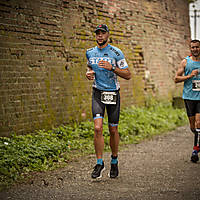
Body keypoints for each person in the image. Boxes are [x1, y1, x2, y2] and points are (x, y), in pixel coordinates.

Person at [85, 24, 131, 178]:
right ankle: (99, 163)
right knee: (97, 128)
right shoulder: (89, 52)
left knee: (113, 130)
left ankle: (114, 160)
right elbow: (89, 67)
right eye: (97, 33)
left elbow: (128, 74)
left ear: (108, 35)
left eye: (102, 33)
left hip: (113, 94)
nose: (99, 36)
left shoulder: (116, 52)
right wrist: (89, 73)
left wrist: (112, 68)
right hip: (98, 92)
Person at [174, 39, 200, 163]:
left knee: (198, 123)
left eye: (197, 47)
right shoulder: (185, 62)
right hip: (189, 97)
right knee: (193, 126)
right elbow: (176, 79)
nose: (195, 49)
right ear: (190, 49)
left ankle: (195, 150)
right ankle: (197, 139)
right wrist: (189, 76)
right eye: (193, 47)